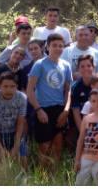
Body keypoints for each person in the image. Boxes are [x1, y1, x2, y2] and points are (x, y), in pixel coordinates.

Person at [26, 33, 73, 169]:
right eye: (54, 45)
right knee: (44, 147)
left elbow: (68, 90)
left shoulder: (66, 65)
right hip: (43, 109)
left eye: (61, 46)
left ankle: (54, 176)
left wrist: (66, 111)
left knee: (58, 145)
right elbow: (30, 90)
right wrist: (38, 110)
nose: (58, 48)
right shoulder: (39, 65)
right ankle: (43, 177)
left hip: (59, 110)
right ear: (47, 46)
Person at [0, 72, 27, 165]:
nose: (9, 90)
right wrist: (1, 149)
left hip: (15, 132)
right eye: (5, 86)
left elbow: (20, 124)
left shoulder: (22, 98)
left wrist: (16, 147)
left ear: (16, 86)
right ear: (0, 86)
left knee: (23, 161)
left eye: (12, 86)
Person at [74, 89, 98, 185]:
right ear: (90, 102)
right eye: (93, 101)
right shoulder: (86, 118)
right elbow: (80, 140)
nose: (97, 104)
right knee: (81, 184)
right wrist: (77, 160)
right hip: (86, 158)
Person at [69, 55, 97, 150]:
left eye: (89, 66)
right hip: (82, 124)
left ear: (93, 67)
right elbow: (75, 111)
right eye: (82, 66)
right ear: (78, 69)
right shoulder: (75, 87)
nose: (86, 69)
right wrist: (83, 132)